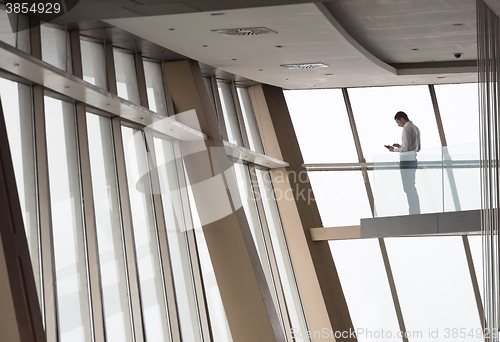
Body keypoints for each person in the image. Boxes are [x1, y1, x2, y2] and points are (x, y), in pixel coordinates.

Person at [387, 111, 421, 215]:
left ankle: (413, 212)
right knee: (411, 187)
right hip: (413, 160)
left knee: (407, 188)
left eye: (398, 122)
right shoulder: (415, 128)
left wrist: (395, 150)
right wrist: (400, 147)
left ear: (402, 119)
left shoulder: (406, 128)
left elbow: (406, 148)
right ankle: (415, 211)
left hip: (406, 162)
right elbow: (416, 148)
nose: (398, 125)